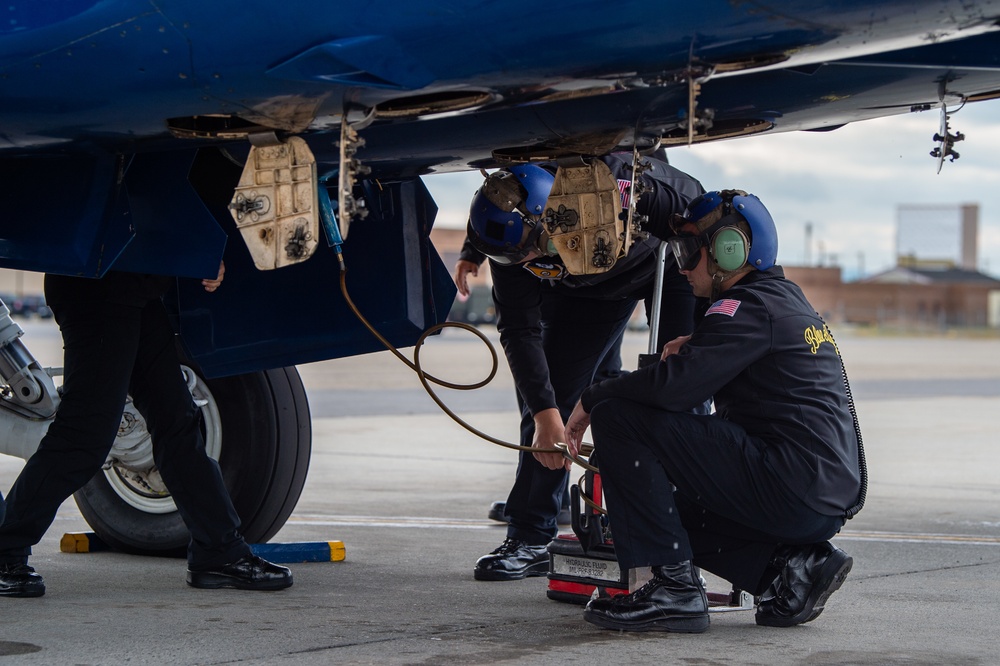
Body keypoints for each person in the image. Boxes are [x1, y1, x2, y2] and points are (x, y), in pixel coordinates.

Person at [564, 190, 863, 633]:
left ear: (730, 250)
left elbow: (674, 391)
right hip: (814, 495)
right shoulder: (780, 301)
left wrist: (592, 397)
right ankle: (790, 569)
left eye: (689, 253)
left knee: (618, 415)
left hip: (791, 484)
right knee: (667, 517)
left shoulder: (744, 306)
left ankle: (673, 591)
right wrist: (699, 347)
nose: (682, 268)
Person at [467, 152, 705, 581]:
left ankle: (690, 536)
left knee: (683, 391)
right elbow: (520, 333)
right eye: (512, 260)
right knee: (551, 400)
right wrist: (545, 415)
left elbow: (696, 213)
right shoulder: (511, 245)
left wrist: (701, 328)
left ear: (553, 219)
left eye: (527, 254)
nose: (522, 266)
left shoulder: (627, 192)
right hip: (586, 288)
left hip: (663, 262)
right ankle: (531, 535)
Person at [0, 265, 293, 598]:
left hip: (139, 286)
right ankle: (5, 549)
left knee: (177, 420)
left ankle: (218, 551)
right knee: (85, 434)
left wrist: (200, 253)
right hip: (99, 283)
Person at [452, 241, 625, 526]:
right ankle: (550, 499)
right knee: (541, 389)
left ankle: (533, 523)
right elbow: (497, 202)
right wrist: (474, 252)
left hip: (606, 284)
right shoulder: (512, 233)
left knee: (564, 384)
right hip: (552, 280)